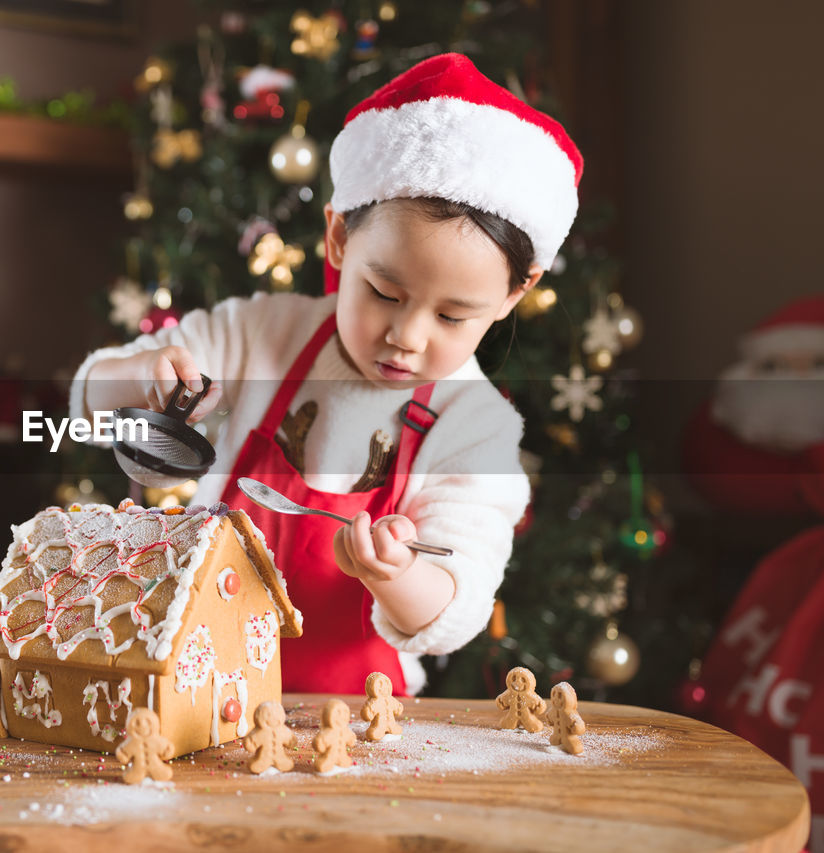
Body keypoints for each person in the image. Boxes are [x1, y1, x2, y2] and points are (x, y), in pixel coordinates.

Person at [69, 54, 583, 695]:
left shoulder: (473, 425)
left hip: (356, 727)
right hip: (198, 687)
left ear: (515, 293)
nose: (407, 336)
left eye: (452, 316)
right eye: (385, 294)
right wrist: (143, 375)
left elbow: (454, 610)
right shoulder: (262, 334)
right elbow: (89, 407)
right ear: (340, 237)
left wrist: (393, 574)